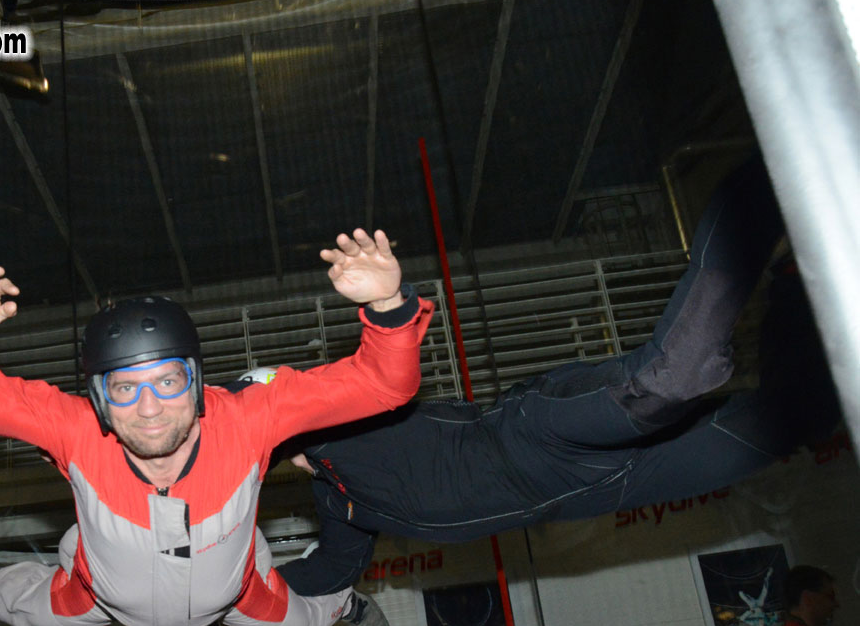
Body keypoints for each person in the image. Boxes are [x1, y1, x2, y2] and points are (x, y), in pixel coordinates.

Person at [264, 158, 840, 597]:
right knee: (789, 424)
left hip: (534, 437)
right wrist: (229, 595)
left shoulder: (341, 417)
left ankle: (770, 174)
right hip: (602, 490)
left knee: (670, 379)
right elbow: (332, 570)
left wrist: (388, 302)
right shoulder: (336, 501)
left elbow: (385, 367)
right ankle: (796, 283)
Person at [0, 228, 434, 626]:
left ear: (196, 380)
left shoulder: (250, 419)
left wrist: (390, 305)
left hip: (235, 591)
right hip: (96, 592)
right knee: (25, 613)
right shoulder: (74, 430)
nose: (149, 407)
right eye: (125, 388)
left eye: (168, 381)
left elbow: (383, 385)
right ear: (99, 398)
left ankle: (342, 603)